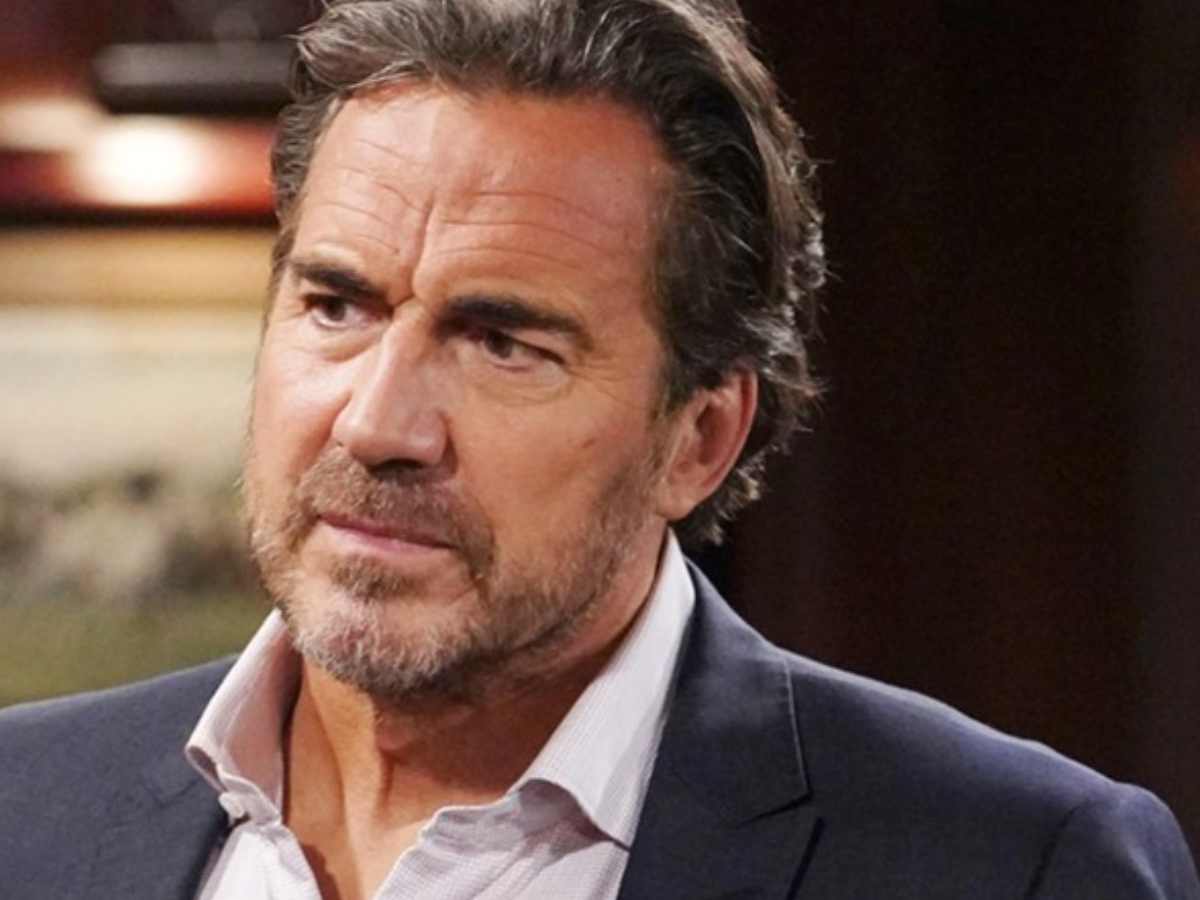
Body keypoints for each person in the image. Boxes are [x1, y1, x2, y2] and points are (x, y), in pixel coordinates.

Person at [2, 0, 1197, 897]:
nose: (376, 424)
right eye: (336, 305)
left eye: (504, 343)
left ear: (699, 439)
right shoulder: (21, 810)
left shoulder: (1009, 865)